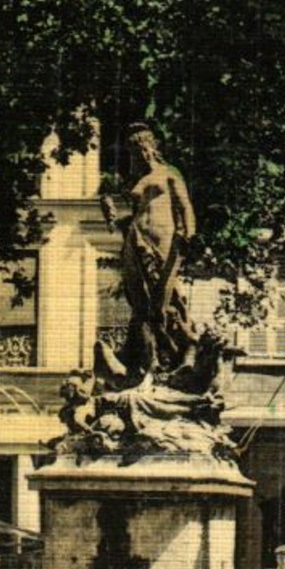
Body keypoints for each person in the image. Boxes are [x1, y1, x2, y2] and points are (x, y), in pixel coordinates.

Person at [98, 122, 198, 382]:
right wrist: (110, 212)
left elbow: (185, 206)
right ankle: (146, 359)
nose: (140, 154)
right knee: (139, 297)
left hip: (163, 239)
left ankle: (180, 351)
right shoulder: (137, 181)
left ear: (153, 147)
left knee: (165, 296)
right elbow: (128, 215)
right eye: (134, 151)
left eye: (143, 148)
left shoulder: (169, 173)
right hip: (136, 238)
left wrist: (189, 232)